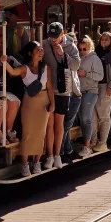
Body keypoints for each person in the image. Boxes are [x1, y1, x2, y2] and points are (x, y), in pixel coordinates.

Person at [1, 42, 52, 178]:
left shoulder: (46, 68)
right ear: (30, 53)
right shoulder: (24, 68)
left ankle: (36, 162)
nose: (41, 52)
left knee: (41, 133)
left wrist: (52, 103)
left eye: (42, 50)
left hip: (43, 101)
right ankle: (24, 164)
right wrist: (4, 62)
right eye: (38, 50)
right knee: (28, 133)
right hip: (29, 102)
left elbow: (50, 87)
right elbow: (12, 72)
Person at [42, 22, 80, 169]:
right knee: (49, 124)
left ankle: (57, 155)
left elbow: (76, 65)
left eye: (55, 37)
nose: (53, 40)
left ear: (62, 34)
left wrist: (63, 55)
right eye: (51, 37)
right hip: (49, 89)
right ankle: (49, 156)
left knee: (60, 124)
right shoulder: (45, 43)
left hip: (64, 90)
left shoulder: (71, 46)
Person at [92, 30, 111, 150]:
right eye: (102, 39)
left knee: (104, 115)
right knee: (94, 115)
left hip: (107, 87)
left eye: (106, 39)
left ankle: (103, 142)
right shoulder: (96, 53)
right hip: (95, 86)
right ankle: (94, 141)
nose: (103, 41)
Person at [74, 36, 104, 157]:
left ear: (89, 47)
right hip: (79, 92)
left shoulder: (94, 59)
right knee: (80, 118)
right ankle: (84, 143)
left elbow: (100, 76)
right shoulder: (77, 58)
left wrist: (85, 73)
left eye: (84, 49)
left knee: (86, 118)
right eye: (79, 49)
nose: (81, 51)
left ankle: (87, 146)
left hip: (90, 91)